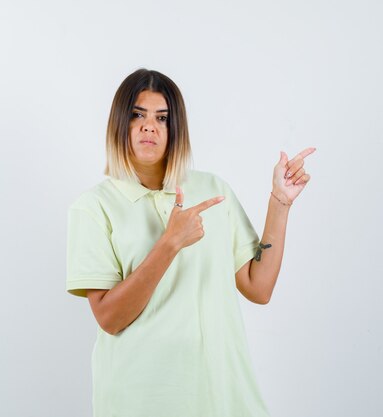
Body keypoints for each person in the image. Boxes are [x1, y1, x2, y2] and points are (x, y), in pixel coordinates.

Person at [65, 68, 315, 417]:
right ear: (119, 123)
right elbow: (108, 317)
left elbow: (259, 288)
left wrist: (280, 203)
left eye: (162, 118)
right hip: (140, 399)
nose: (149, 126)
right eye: (137, 114)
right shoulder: (94, 207)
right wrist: (169, 243)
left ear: (175, 129)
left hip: (221, 395)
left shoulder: (212, 191)